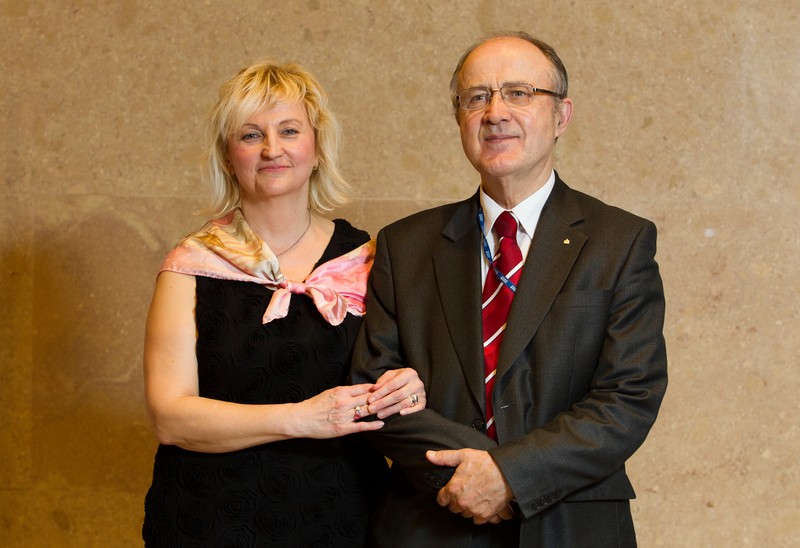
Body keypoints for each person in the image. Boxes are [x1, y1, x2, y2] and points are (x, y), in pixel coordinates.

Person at [350, 31, 668, 547]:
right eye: (477, 97)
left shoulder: (621, 241)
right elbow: (372, 391)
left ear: (561, 116)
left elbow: (628, 396)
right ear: (459, 118)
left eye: (519, 93)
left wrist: (509, 475)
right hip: (430, 523)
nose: (495, 113)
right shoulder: (403, 246)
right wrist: (472, 474)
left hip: (570, 526)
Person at [142, 60, 425, 547]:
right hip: (210, 520)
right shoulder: (190, 265)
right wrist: (302, 418)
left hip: (343, 516)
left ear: (317, 148)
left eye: (289, 131)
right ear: (228, 157)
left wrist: (411, 388)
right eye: (251, 135)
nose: (272, 149)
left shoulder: (370, 259)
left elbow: (404, 384)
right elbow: (170, 418)